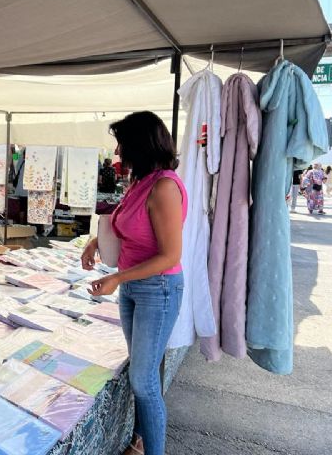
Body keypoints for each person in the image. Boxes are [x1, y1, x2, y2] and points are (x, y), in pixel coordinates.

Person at [81, 111, 187, 455]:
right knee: (142, 372)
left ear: (140, 145)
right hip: (134, 288)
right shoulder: (141, 181)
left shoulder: (165, 186)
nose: (118, 150)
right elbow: (126, 225)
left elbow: (169, 256)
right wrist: (97, 241)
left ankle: (150, 448)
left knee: (143, 380)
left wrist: (117, 277)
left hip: (158, 289)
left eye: (122, 143)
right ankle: (140, 439)